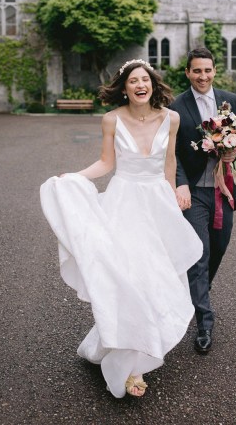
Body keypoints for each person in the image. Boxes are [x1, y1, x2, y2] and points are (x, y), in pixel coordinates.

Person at [40, 59, 202, 398]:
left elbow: (169, 164)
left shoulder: (171, 119)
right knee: (130, 280)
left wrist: (172, 201)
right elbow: (106, 163)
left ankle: (127, 348)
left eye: (145, 79)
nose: (140, 85)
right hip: (124, 204)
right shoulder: (111, 119)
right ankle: (131, 370)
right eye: (133, 81)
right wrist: (72, 178)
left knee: (156, 281)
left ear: (153, 84)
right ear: (124, 87)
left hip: (157, 204)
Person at [170, 48, 236, 354]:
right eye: (196, 71)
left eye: (207, 70)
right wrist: (181, 184)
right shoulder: (175, 107)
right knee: (199, 253)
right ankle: (204, 323)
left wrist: (234, 151)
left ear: (214, 71)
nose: (203, 76)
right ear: (187, 72)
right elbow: (170, 153)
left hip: (223, 187)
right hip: (194, 194)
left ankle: (200, 291)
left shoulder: (230, 101)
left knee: (219, 246)